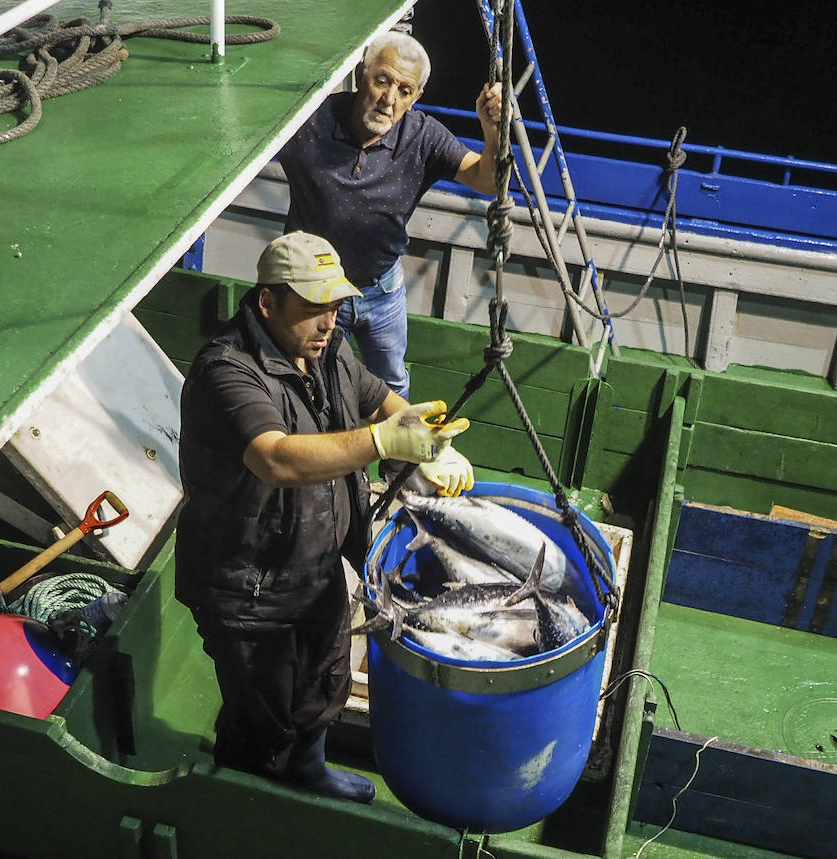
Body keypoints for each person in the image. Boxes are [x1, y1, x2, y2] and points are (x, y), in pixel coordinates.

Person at [175, 231, 474, 803]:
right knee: (261, 710)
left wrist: (422, 436)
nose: (328, 321)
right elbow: (276, 458)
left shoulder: (326, 348)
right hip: (248, 585)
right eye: (313, 307)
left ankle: (307, 770)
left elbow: (376, 395)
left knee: (325, 680)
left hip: (316, 565)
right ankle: (246, 796)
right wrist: (385, 442)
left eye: (335, 305)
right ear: (268, 302)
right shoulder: (227, 371)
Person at [278, 30, 504, 399]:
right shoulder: (310, 121)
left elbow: (486, 180)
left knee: (393, 386)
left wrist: (492, 131)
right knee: (313, 388)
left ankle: (398, 458)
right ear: (360, 74)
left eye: (404, 90)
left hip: (382, 290)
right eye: (381, 81)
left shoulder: (424, 137)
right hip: (312, 293)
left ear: (416, 97)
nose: (389, 99)